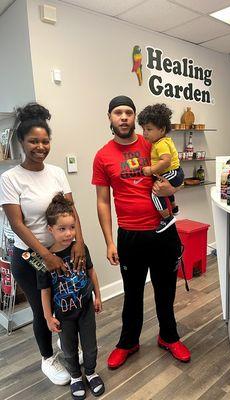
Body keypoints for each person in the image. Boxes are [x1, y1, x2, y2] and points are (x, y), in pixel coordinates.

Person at [92, 95, 191, 369]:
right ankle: (128, 342)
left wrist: (174, 189)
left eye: (128, 112)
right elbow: (102, 201)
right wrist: (109, 241)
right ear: (110, 118)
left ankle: (168, 337)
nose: (123, 117)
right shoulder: (103, 156)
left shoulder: (153, 142)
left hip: (163, 232)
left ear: (135, 117)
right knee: (132, 292)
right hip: (129, 236)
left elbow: (176, 174)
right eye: (117, 113)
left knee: (165, 290)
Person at [0, 103, 86, 385]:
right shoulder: (10, 179)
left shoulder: (57, 173)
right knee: (41, 308)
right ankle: (48, 358)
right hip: (30, 257)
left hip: (61, 253)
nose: (40, 146)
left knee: (64, 301)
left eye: (45, 141)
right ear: (22, 142)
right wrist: (46, 256)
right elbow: (17, 224)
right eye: (33, 141)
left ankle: (66, 343)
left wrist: (79, 243)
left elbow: (71, 211)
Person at [37, 193, 104, 399]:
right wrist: (48, 317)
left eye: (72, 227)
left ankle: (91, 372)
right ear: (51, 229)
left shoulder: (81, 249)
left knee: (90, 345)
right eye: (62, 229)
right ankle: (75, 376)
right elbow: (45, 290)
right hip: (64, 315)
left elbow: (91, 272)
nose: (69, 234)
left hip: (85, 309)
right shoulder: (46, 260)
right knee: (69, 348)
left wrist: (97, 296)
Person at [137, 103, 184, 233]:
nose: (145, 133)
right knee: (165, 189)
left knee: (156, 193)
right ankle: (174, 208)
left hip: (173, 172)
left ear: (162, 130)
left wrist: (151, 170)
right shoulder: (160, 142)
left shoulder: (161, 144)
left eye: (149, 129)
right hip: (176, 172)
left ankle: (167, 218)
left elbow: (166, 161)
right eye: (143, 129)